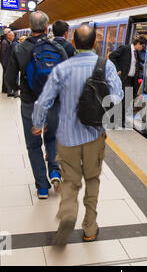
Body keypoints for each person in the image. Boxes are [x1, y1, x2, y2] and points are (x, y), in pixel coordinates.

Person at [31, 24, 123, 246]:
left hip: (67, 137)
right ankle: (90, 227)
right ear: (95, 44)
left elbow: (44, 101)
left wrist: (37, 124)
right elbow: (119, 97)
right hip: (94, 135)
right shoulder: (107, 66)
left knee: (70, 181)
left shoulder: (62, 69)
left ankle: (68, 213)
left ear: (73, 43)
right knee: (92, 179)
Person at [5, 11, 68, 199]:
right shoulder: (58, 48)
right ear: (47, 27)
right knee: (52, 138)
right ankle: (55, 172)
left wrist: (21, 90)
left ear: (30, 26)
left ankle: (42, 187)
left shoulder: (20, 48)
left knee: (33, 145)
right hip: (53, 104)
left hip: (30, 104)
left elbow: (9, 79)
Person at [109, 36, 146, 124]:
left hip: (131, 80)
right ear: (138, 43)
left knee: (127, 100)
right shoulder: (125, 48)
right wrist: (118, 69)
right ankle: (115, 119)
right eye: (142, 46)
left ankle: (122, 120)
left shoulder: (136, 53)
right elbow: (112, 56)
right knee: (120, 99)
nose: (142, 48)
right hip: (123, 78)